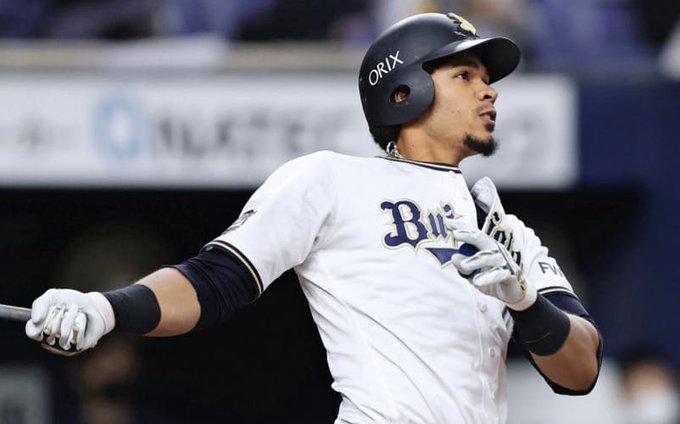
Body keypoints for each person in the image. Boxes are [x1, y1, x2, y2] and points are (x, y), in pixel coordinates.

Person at [25, 12, 602, 423]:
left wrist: (526, 301)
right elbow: (213, 280)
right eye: (465, 76)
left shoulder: (504, 231)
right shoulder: (332, 179)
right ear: (404, 91)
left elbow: (580, 372)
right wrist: (106, 307)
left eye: (488, 80)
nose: (489, 93)